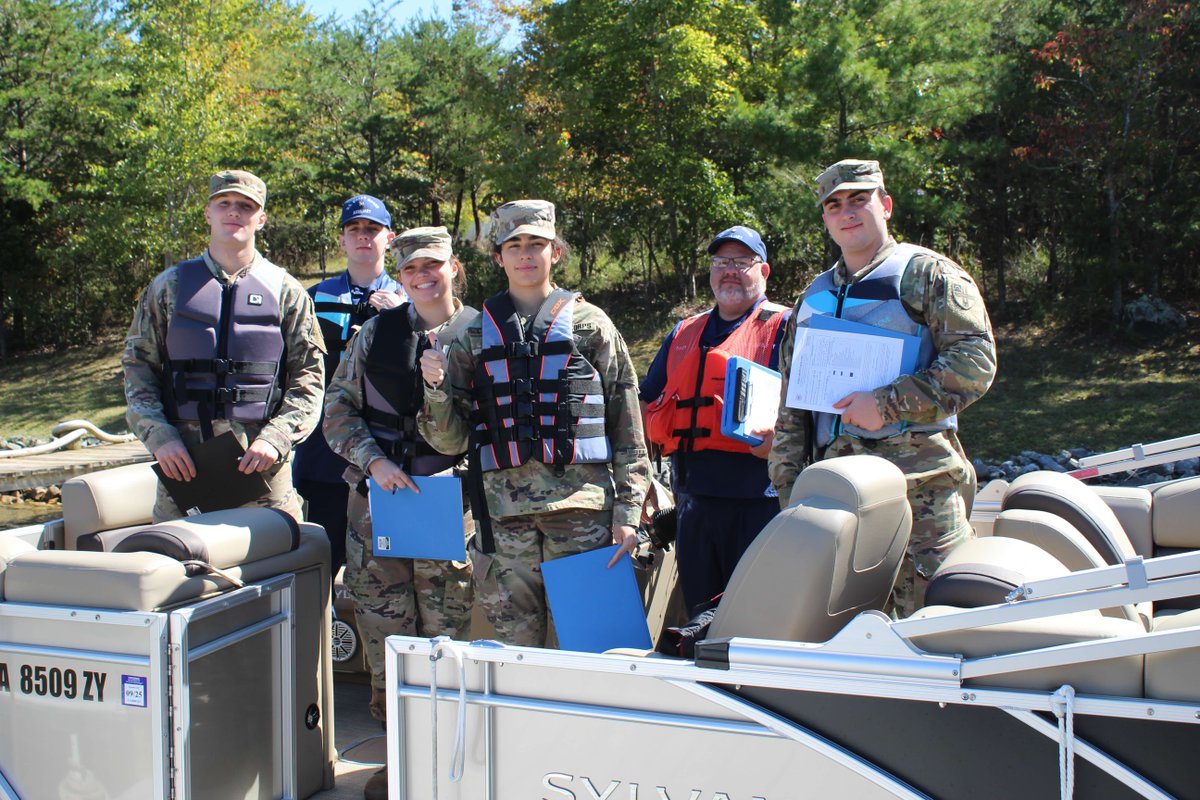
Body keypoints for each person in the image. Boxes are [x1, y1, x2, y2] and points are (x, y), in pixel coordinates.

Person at [418, 199, 652, 647]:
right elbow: (449, 440)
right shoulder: (470, 335)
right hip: (502, 523)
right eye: (515, 245)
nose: (526, 254)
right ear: (498, 256)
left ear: (555, 252)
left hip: (584, 515)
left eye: (537, 244)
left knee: (596, 649)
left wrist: (627, 512)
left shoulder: (591, 325)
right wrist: (435, 387)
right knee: (514, 658)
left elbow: (628, 428)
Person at [769, 159, 997, 617]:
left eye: (859, 199)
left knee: (937, 621)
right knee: (849, 627)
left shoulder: (929, 275)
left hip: (921, 491)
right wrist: (791, 493)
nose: (847, 212)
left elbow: (976, 361)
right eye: (834, 205)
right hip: (838, 496)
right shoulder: (811, 297)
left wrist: (887, 404)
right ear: (825, 219)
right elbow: (792, 409)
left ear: (886, 205)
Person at [322, 226, 475, 800]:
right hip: (377, 508)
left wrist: (459, 478)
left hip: (448, 508)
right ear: (401, 274)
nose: (422, 277)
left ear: (453, 267)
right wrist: (373, 462)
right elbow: (336, 411)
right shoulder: (375, 334)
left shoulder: (481, 333)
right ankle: (401, 765)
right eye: (410, 269)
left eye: (432, 266)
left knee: (445, 643)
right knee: (387, 640)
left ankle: (447, 770)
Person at [123, 169, 325, 522]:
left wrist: (276, 438)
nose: (234, 212)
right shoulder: (168, 287)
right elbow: (139, 368)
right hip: (183, 465)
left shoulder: (287, 291)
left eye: (246, 206)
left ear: (261, 218)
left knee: (277, 569)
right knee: (178, 568)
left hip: (263, 468)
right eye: (224, 203)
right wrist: (159, 436)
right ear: (208, 212)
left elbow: (309, 379)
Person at [640, 226, 789, 614]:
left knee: (755, 617)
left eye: (742, 262)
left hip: (760, 501)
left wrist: (784, 438)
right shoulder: (683, 332)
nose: (730, 271)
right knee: (700, 618)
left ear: (764, 271)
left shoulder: (788, 327)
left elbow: (815, 408)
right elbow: (644, 404)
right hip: (694, 503)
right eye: (721, 262)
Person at [292, 195, 405, 580]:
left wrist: (400, 320)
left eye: (372, 229)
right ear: (341, 240)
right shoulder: (314, 298)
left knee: (386, 570)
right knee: (321, 563)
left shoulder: (411, 297)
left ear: (389, 238)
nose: (363, 237)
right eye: (353, 229)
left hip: (389, 456)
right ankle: (324, 639)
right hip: (322, 456)